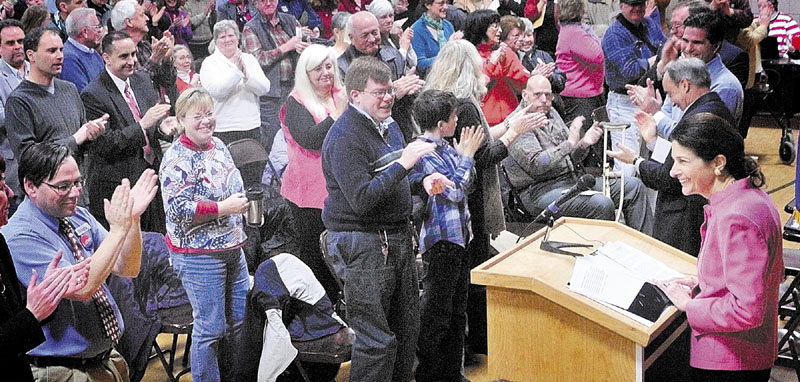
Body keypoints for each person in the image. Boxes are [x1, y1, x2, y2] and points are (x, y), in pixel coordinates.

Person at [423, 39, 543, 357]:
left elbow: (483, 136)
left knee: (470, 276)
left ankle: (474, 344)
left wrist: (514, 121)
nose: (484, 68)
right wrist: (514, 134)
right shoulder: (463, 106)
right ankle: (479, 343)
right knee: (474, 274)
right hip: (468, 204)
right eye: (479, 63)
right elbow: (480, 156)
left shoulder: (455, 103)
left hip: (461, 203)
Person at [3, 141, 159, 381]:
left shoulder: (74, 214)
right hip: (62, 369)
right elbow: (84, 289)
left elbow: (127, 267)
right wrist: (119, 230)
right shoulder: (18, 236)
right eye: (63, 186)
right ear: (30, 186)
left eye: (78, 182)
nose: (75, 193)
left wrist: (133, 220)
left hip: (104, 359)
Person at [321, 56, 432, 381]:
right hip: (364, 244)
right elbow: (363, 200)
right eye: (379, 93)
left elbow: (394, 178)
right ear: (355, 95)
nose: (387, 98)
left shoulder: (390, 126)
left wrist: (420, 181)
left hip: (396, 238)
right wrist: (405, 165)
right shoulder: (344, 138)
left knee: (406, 332)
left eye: (389, 92)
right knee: (377, 342)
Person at [659, 112, 782, 382]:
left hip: (731, 361)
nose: (673, 171)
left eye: (682, 161)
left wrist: (689, 306)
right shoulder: (747, 199)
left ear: (718, 163)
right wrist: (702, 282)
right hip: (740, 356)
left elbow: (746, 309)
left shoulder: (737, 216)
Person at [159, 87, 251, 382]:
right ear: (182, 119)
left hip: (233, 248)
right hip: (198, 255)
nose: (206, 121)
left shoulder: (219, 146)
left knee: (238, 324)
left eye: (209, 114)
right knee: (211, 330)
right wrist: (224, 208)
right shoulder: (176, 158)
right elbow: (177, 210)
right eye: (197, 116)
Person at [608, 58, 733, 257]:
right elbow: (676, 161)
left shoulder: (695, 120)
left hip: (685, 217)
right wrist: (653, 142)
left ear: (684, 85)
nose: (671, 101)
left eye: (670, 93)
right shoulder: (715, 107)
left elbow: (668, 177)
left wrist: (635, 161)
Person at [503, 75, 653, 232]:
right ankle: (602, 252)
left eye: (548, 95)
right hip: (539, 192)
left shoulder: (551, 112)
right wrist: (570, 143)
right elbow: (538, 165)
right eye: (538, 95)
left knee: (633, 186)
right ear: (525, 95)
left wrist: (583, 144)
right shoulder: (517, 122)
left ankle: (647, 248)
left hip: (571, 180)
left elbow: (570, 159)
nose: (544, 100)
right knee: (601, 203)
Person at [408, 89, 483, 382]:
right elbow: (453, 191)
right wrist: (466, 157)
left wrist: (463, 160)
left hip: (460, 238)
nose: (457, 121)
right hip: (440, 243)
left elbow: (468, 182)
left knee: (457, 311)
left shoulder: (447, 147)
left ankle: (452, 372)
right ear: (442, 123)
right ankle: (429, 373)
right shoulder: (423, 152)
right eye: (453, 116)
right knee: (438, 315)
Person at [0, 153, 90, 382]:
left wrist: (46, 296)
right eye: (1, 186)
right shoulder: (17, 235)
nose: (10, 194)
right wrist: (32, 314)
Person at [81, 30, 176, 233]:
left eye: (133, 54)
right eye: (124, 56)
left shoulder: (141, 81)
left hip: (152, 178)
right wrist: (143, 125)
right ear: (106, 58)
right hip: (119, 185)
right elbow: (106, 144)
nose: (131, 61)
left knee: (158, 243)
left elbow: (152, 128)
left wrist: (161, 128)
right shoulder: (93, 94)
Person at [279, 43, 344, 300]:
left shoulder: (342, 93)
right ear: (305, 73)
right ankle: (319, 313)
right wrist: (336, 116)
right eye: (317, 68)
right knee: (316, 255)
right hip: (309, 193)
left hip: (339, 187)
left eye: (329, 66)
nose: (325, 72)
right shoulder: (295, 102)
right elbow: (309, 139)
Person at [5, 27, 108, 171]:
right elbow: (27, 156)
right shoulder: (19, 101)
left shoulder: (69, 89)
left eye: (61, 50)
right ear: (31, 55)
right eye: (52, 51)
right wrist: (75, 139)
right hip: (46, 187)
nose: (60, 56)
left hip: (77, 184)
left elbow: (81, 140)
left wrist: (91, 134)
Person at [601, 0, 665, 176]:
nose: (637, 9)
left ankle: (648, 204)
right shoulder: (613, 34)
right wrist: (656, 60)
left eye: (640, 4)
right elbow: (630, 71)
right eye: (632, 4)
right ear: (621, 6)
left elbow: (666, 48)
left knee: (653, 162)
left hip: (650, 99)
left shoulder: (649, 23)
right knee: (627, 168)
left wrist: (661, 57)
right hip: (624, 102)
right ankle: (625, 203)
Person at [241, 0, 308, 152]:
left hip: (297, 89)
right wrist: (286, 47)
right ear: (255, 3)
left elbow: (304, 40)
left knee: (298, 137)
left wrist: (306, 47)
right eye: (263, 0)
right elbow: (256, 60)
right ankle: (270, 175)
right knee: (272, 139)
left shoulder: (290, 20)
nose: (268, 3)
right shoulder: (251, 28)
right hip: (271, 95)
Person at [200, 19, 269, 145]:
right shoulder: (209, 63)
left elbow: (264, 88)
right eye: (222, 37)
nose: (227, 40)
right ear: (216, 41)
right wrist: (238, 72)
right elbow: (217, 91)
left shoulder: (249, 59)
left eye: (231, 35)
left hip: (251, 125)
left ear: (238, 38)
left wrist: (247, 76)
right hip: (223, 128)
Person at [463, 9, 530, 126]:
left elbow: (521, 80)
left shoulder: (504, 50)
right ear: (481, 28)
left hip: (511, 116)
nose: (500, 31)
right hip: (483, 122)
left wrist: (534, 77)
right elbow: (474, 86)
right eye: (495, 27)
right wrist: (492, 63)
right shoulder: (466, 53)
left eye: (499, 26)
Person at [556, 0, 604, 130]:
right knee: (587, 142)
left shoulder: (573, 29)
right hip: (579, 98)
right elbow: (598, 56)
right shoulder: (574, 32)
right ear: (580, 10)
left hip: (586, 94)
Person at [0, 19, 27, 203]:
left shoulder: (38, 68)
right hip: (14, 167)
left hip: (46, 165)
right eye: (11, 43)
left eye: (21, 41)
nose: (17, 47)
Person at [517, 17, 565, 96]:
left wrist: (551, 78)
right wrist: (533, 78)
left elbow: (561, 81)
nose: (526, 40)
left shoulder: (543, 55)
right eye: (522, 37)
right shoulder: (515, 58)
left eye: (529, 35)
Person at [410, 0, 459, 76]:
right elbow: (420, 64)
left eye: (446, 3)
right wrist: (448, 48)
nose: (445, 7)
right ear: (428, 5)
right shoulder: (417, 29)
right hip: (430, 79)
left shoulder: (448, 25)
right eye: (441, 4)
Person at [61, 7, 104, 92]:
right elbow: (84, 95)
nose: (100, 31)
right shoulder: (69, 58)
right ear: (84, 32)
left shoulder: (93, 52)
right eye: (96, 27)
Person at [368, 0, 416, 74]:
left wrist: (408, 45)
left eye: (391, 16)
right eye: (383, 17)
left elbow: (414, 63)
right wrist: (403, 48)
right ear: (374, 20)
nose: (389, 20)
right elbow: (393, 68)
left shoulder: (395, 37)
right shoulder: (374, 42)